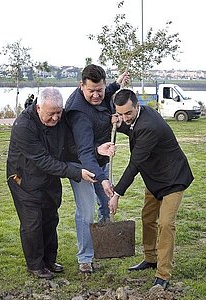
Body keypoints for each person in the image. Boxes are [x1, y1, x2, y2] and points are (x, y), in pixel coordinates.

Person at [6, 87, 113, 279]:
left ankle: (49, 260)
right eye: (51, 114)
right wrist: (77, 172)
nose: (56, 118)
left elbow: (70, 148)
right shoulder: (24, 126)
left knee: (50, 218)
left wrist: (97, 151)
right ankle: (35, 264)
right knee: (32, 223)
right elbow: (43, 160)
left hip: (50, 178)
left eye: (58, 112)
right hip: (24, 179)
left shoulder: (60, 120)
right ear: (38, 108)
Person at [108, 89, 194, 289]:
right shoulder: (140, 114)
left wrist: (117, 194)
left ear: (137, 106)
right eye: (120, 114)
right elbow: (132, 128)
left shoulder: (150, 126)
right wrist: (120, 125)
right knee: (147, 217)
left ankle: (163, 274)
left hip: (173, 180)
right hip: (155, 178)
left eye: (128, 113)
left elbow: (135, 163)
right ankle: (150, 258)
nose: (124, 117)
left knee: (165, 224)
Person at [65, 64, 129, 273]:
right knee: (86, 211)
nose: (96, 95)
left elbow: (109, 91)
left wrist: (117, 83)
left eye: (99, 90)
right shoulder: (78, 113)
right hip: (80, 164)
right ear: (81, 86)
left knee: (106, 202)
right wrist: (102, 178)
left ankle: (103, 241)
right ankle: (85, 257)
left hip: (100, 158)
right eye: (91, 91)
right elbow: (84, 153)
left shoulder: (102, 91)